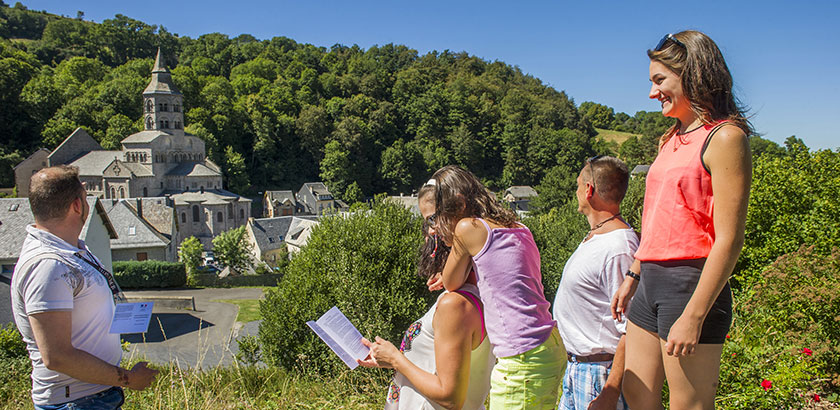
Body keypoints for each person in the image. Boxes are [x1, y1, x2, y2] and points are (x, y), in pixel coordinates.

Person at [610, 31, 752, 410]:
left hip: (691, 284)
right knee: (637, 394)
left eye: (660, 80)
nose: (652, 93)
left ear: (693, 74)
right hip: (650, 282)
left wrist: (695, 314)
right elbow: (659, 218)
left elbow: (729, 239)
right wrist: (634, 274)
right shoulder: (670, 138)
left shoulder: (725, 138)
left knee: (689, 404)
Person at [11, 166, 158, 410]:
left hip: (91, 398)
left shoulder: (70, 250)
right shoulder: (49, 265)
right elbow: (57, 356)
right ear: (77, 206)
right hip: (76, 402)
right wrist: (130, 379)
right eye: (85, 197)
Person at [432, 165, 566, 409]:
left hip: (522, 356)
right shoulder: (518, 227)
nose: (436, 225)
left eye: (439, 215)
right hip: (549, 345)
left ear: (459, 204)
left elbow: (451, 282)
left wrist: (447, 268)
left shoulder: (468, 228)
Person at [359, 181, 495, 410]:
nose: (431, 232)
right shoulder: (483, 293)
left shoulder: (456, 305)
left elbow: (450, 398)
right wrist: (388, 358)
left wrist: (395, 359)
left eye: (433, 220)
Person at [552, 156, 638, 410]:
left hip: (600, 374)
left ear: (589, 190)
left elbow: (632, 328)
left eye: (578, 185)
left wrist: (610, 393)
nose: (576, 191)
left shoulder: (619, 247)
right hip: (580, 369)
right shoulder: (599, 237)